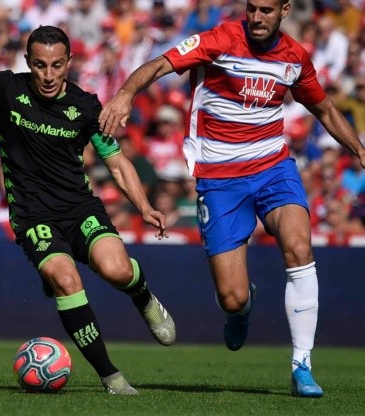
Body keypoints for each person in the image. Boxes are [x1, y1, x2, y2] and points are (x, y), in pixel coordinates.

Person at [99, 0, 365, 398]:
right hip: (220, 180)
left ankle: (302, 365)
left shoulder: (294, 58)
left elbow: (324, 109)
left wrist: (359, 150)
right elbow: (158, 64)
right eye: (252, 8)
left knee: (298, 246)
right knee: (232, 297)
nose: (257, 18)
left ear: (285, 10)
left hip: (274, 167)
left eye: (267, 10)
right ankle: (242, 308)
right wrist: (124, 95)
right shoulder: (219, 40)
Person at [0, 11, 176, 395]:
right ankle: (111, 377)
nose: (48, 75)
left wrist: (144, 206)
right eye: (39, 66)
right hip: (33, 217)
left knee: (116, 271)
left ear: (68, 63)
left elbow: (116, 162)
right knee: (67, 280)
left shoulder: (86, 107)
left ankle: (142, 295)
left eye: (56, 65)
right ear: (29, 63)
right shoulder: (4, 89)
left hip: (80, 209)